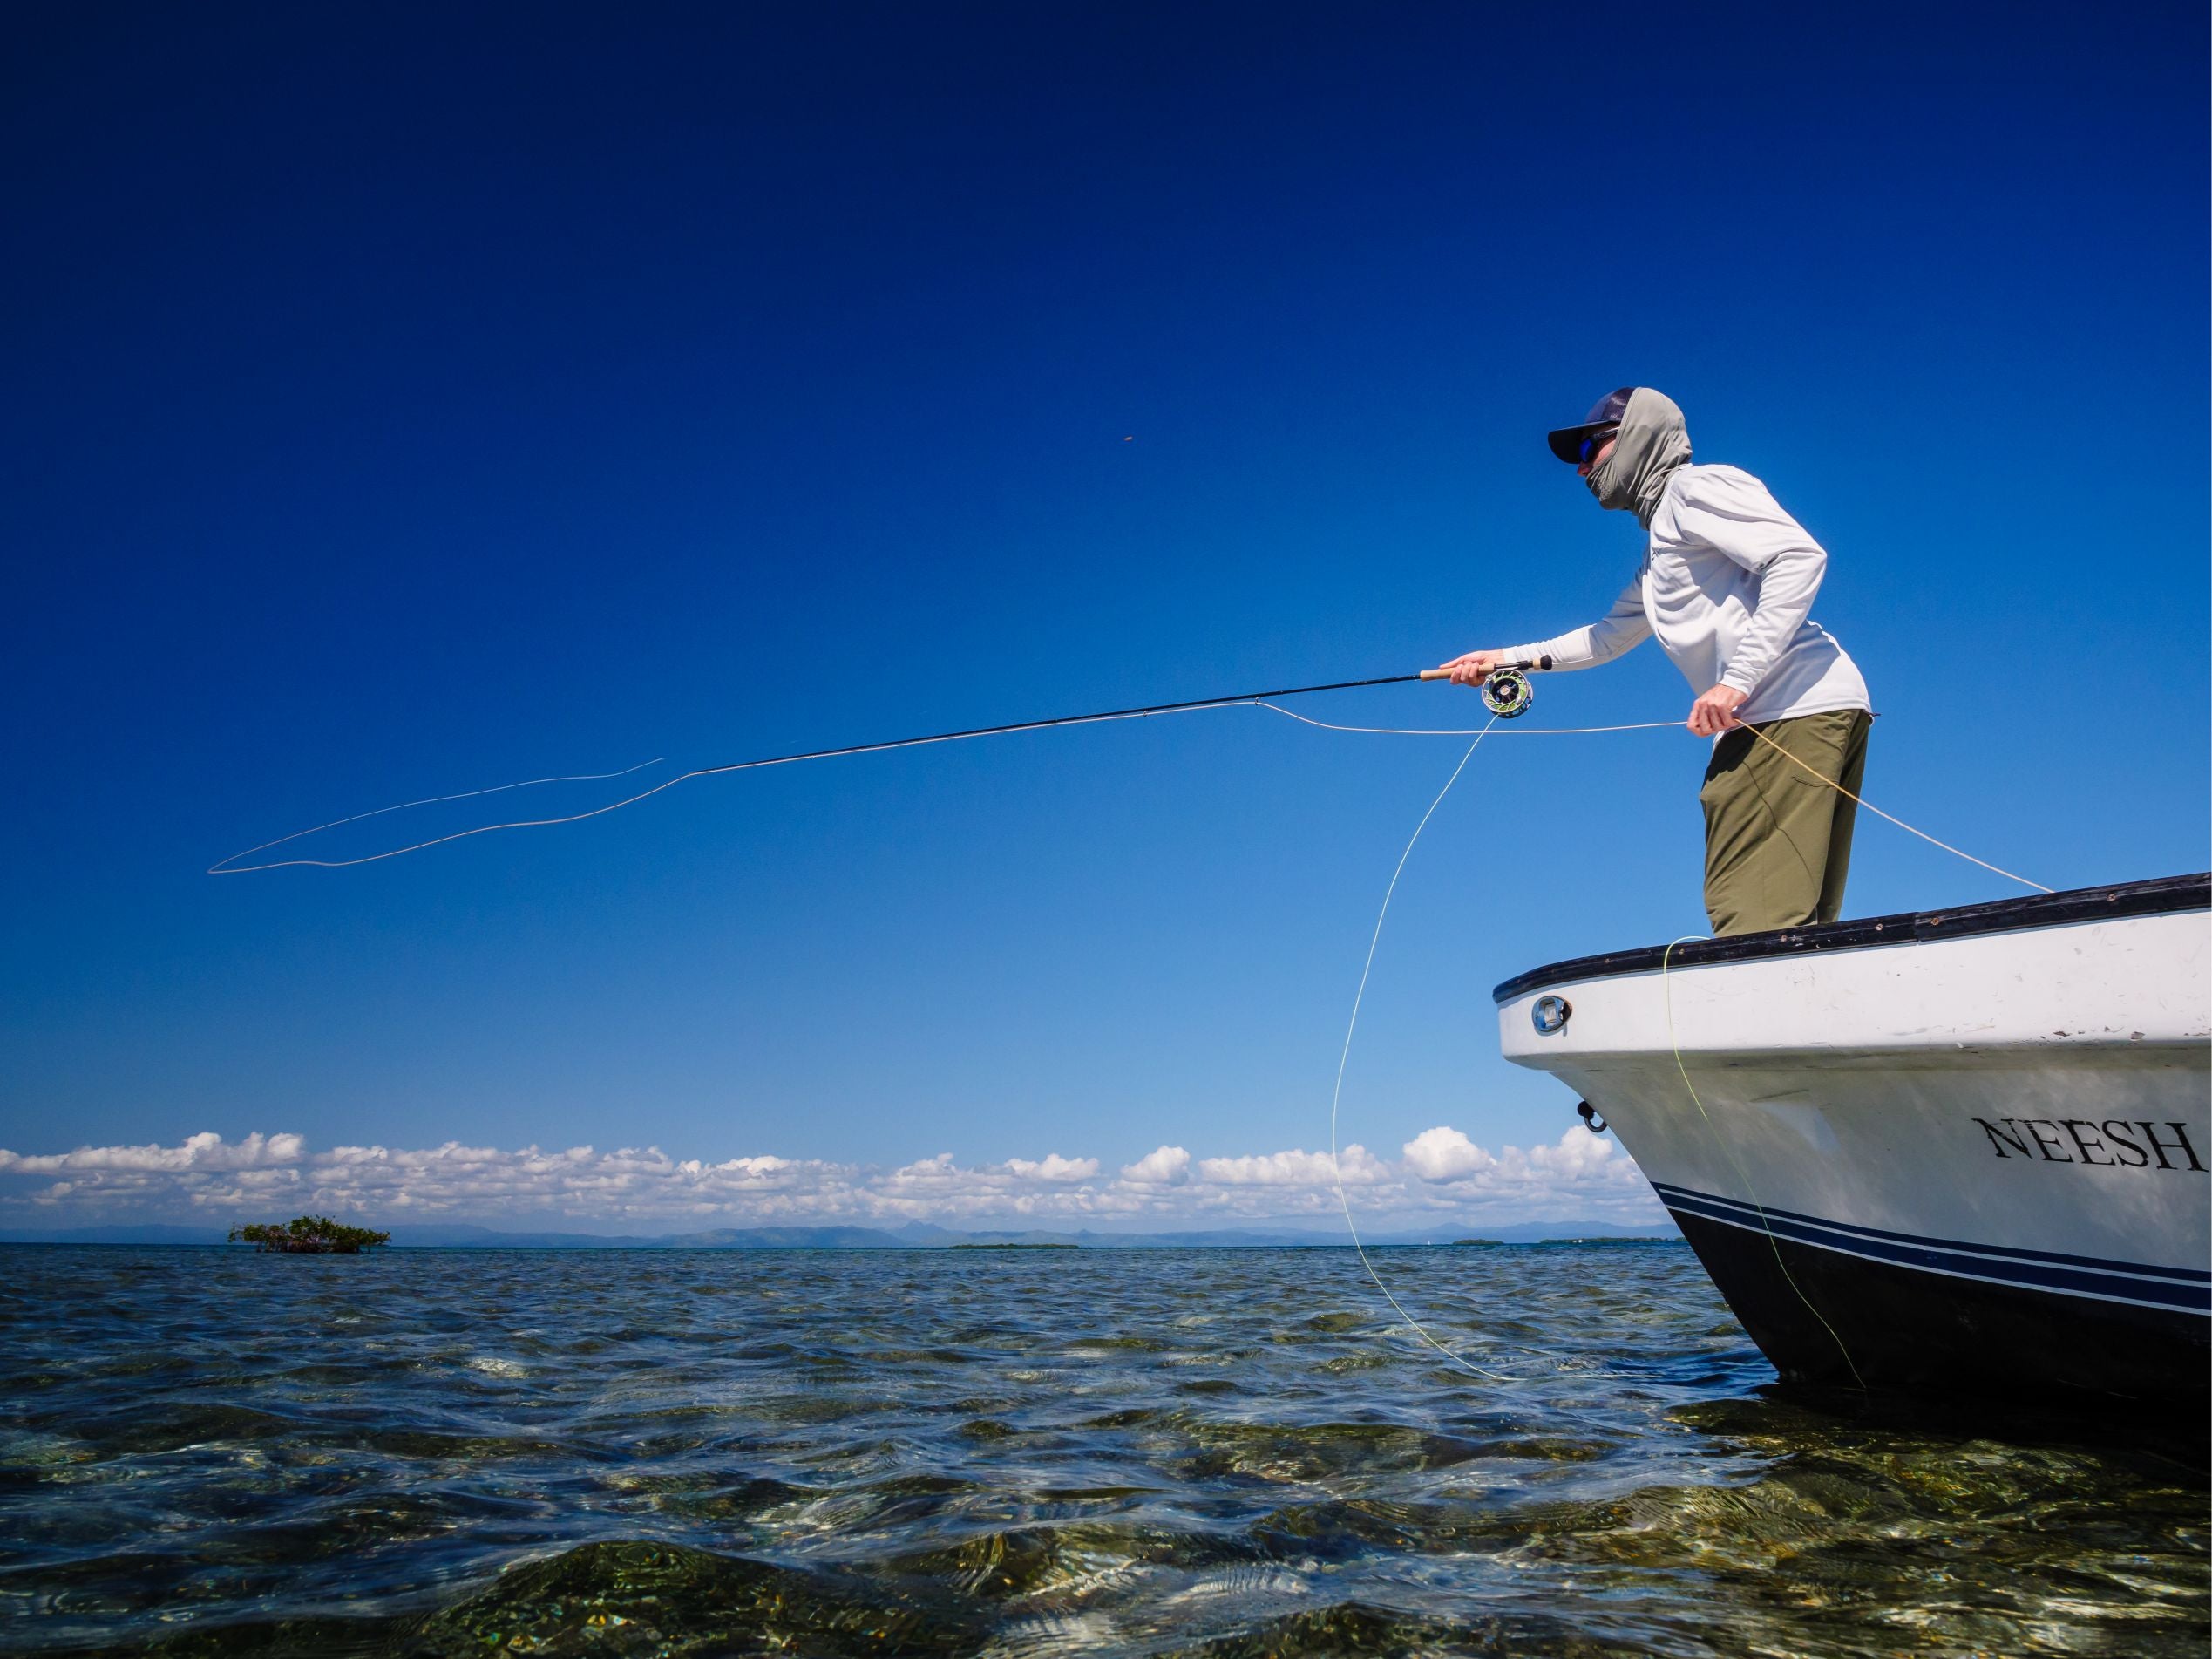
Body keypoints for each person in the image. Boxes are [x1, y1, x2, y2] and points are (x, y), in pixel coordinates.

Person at [1437, 387, 1872, 937]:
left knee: (1751, 917)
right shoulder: (1662, 543)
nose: (1581, 470)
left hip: (1784, 714)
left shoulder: (1694, 488)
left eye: (1588, 449)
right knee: (1795, 925)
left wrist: (1735, 684)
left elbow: (1798, 556)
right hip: (1808, 711)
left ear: (1634, 435)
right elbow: (1606, 638)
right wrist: (1503, 659)